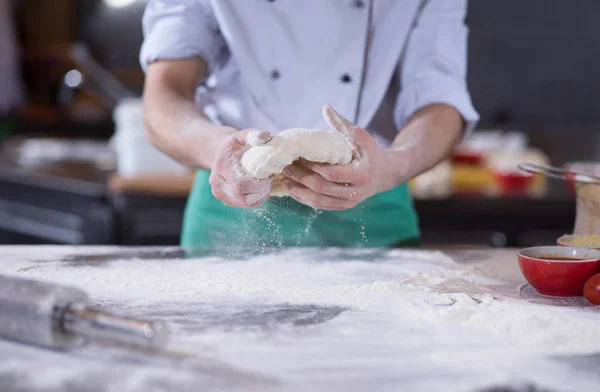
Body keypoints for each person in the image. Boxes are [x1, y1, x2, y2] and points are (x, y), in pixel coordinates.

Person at [140, 0, 479, 248]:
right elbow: (164, 97)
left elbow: (440, 95)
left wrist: (396, 163)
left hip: (371, 197)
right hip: (230, 200)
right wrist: (220, 150)